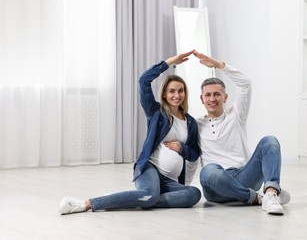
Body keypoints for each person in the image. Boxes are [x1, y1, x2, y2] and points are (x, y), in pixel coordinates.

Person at [59, 51, 202, 214]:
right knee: (150, 195)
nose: (177, 95)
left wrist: (181, 148)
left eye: (180, 91)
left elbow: (194, 154)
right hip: (150, 169)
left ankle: (134, 199)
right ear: (164, 94)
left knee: (193, 194)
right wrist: (169, 62)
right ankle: (87, 203)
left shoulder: (190, 122)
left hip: (170, 181)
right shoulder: (156, 112)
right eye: (172, 91)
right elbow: (144, 80)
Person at [193, 50, 290, 215]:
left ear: (225, 97)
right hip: (215, 186)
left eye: (217, 94)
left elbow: (245, 83)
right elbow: (189, 159)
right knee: (208, 171)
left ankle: (270, 193)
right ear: (201, 99)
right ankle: (256, 198)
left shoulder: (236, 114)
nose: (212, 99)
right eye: (207, 95)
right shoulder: (195, 124)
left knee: (270, 140)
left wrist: (218, 65)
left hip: (244, 177)